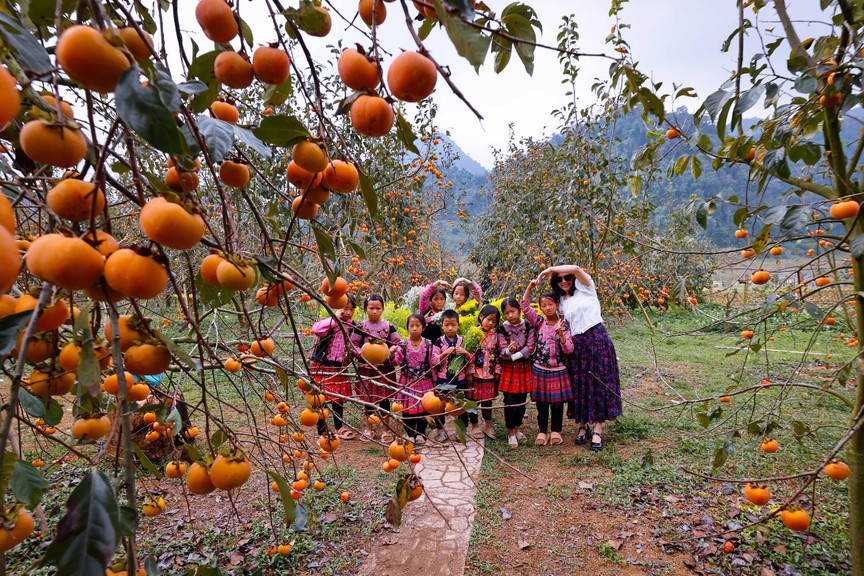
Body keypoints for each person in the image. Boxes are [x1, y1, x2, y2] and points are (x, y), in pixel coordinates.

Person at [537, 264, 622, 451]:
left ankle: (598, 428)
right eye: (559, 279)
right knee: (580, 385)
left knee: (599, 384)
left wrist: (550, 269)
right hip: (577, 346)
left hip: (597, 339)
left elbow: (575, 268)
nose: (564, 281)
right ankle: (583, 425)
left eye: (567, 277)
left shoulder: (586, 289)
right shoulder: (560, 302)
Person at [521, 280, 574, 446]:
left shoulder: (564, 324)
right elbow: (525, 306)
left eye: (550, 304)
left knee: (557, 404)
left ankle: (556, 430)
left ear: (557, 304)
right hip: (540, 369)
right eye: (544, 305)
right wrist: (530, 287)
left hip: (558, 369)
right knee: (542, 403)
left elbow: (569, 350)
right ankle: (542, 431)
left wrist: (562, 336)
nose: (548, 308)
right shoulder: (538, 322)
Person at [350, 294, 401, 442]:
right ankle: (369, 429)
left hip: (384, 369)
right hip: (366, 369)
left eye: (378, 308)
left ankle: (386, 430)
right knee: (368, 400)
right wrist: (364, 355)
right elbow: (354, 345)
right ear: (366, 309)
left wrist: (390, 353)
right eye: (371, 308)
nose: (374, 311)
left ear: (383, 309)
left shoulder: (389, 326)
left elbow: (396, 343)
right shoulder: (361, 326)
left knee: (384, 399)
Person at [310, 295, 357, 440]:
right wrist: (334, 318)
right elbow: (316, 330)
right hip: (322, 366)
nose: (348, 312)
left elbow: (354, 345)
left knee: (338, 399)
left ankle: (339, 427)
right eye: (345, 308)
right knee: (319, 398)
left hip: (339, 367)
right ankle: (322, 429)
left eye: (351, 309)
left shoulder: (352, 325)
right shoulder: (330, 322)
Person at [391, 314, 436, 444]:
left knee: (423, 407)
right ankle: (410, 433)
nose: (414, 328)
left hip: (424, 382)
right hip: (408, 382)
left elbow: (431, 363)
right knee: (407, 409)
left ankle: (421, 433)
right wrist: (393, 354)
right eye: (412, 326)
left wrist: (434, 382)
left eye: (418, 326)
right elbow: (396, 361)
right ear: (407, 327)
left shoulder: (428, 344)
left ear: (423, 328)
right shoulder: (403, 344)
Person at [497, 298, 535, 448]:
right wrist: (507, 350)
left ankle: (518, 428)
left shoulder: (528, 325)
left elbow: (530, 346)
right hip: (509, 370)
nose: (510, 315)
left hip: (524, 366)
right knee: (509, 401)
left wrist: (512, 356)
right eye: (506, 313)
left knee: (521, 400)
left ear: (519, 310)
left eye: (513, 311)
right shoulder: (501, 328)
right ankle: (510, 432)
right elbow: (501, 347)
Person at [431, 309, 471, 442]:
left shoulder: (463, 341)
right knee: (440, 406)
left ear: (458, 325)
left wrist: (465, 353)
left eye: (453, 325)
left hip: (460, 380)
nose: (450, 328)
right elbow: (433, 361)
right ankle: (441, 431)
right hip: (443, 380)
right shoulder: (439, 342)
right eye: (447, 325)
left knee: (460, 406)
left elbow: (472, 361)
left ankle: (461, 431)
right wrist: (444, 354)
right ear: (442, 325)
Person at [466, 305, 501, 439]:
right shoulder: (473, 333)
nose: (491, 323)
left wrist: (498, 371)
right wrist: (469, 372)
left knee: (487, 400)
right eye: (489, 319)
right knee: (473, 399)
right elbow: (468, 354)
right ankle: (474, 425)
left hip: (489, 373)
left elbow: (497, 355)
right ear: (481, 317)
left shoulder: (496, 337)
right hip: (475, 372)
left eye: (494, 321)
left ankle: (488, 424)